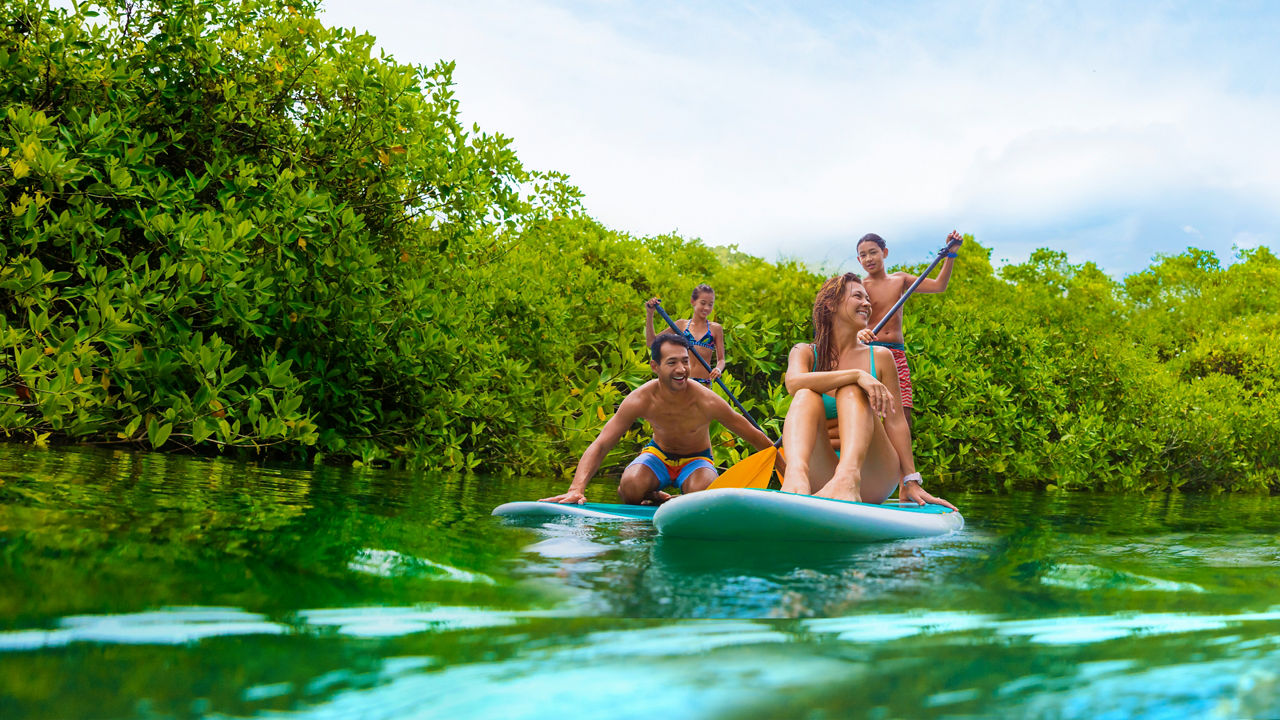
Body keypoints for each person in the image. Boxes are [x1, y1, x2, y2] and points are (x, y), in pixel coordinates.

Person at [780, 272, 955, 509]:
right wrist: (857, 375)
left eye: (868, 299)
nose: (867, 303)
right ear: (831, 304)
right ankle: (795, 479)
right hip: (822, 473)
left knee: (852, 390)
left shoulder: (881, 356)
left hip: (871, 475)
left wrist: (910, 480)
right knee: (805, 393)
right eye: (857, 296)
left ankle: (848, 477)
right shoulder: (805, 352)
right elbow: (793, 383)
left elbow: (895, 423)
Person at [542, 334, 776, 505]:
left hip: (697, 461)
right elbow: (602, 443)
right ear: (655, 366)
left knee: (702, 493)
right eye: (672, 362)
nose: (682, 369)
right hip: (658, 456)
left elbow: (754, 436)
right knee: (630, 487)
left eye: (685, 361)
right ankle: (653, 496)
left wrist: (790, 479)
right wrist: (576, 488)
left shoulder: (706, 400)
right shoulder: (640, 399)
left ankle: (673, 498)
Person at [854, 231, 963, 431]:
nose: (868, 258)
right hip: (870, 352)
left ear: (884, 253)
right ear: (859, 260)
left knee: (903, 413)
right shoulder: (858, 286)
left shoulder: (900, 280)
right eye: (863, 255)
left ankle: (901, 461)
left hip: (896, 353)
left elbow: (939, 286)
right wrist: (858, 333)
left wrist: (951, 255)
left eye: (873, 252)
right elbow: (848, 321)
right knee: (873, 413)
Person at [644, 285, 725, 385]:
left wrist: (718, 369)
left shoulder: (716, 328)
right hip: (682, 381)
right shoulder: (681, 325)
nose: (706, 308)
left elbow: (721, 360)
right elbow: (651, 342)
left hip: (704, 383)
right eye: (703, 303)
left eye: (710, 304)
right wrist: (650, 313)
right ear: (693, 301)